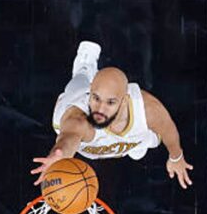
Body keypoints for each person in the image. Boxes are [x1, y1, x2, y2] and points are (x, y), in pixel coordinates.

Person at [32, 41, 193, 189]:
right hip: (82, 120)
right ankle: (85, 66)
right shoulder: (79, 119)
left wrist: (176, 157)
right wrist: (58, 154)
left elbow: (168, 129)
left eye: (110, 102)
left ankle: (135, 145)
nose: (100, 109)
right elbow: (68, 138)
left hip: (132, 135)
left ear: (124, 101)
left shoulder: (148, 109)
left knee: (151, 139)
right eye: (96, 98)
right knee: (78, 82)